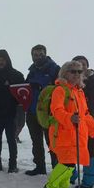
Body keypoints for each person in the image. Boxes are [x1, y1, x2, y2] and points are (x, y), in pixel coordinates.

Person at [44, 61, 94, 188]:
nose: (77, 74)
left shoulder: (79, 91)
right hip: (64, 134)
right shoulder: (60, 90)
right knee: (67, 164)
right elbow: (56, 110)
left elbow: (85, 114)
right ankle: (50, 186)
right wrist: (70, 118)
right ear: (65, 73)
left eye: (79, 71)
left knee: (71, 163)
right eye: (73, 71)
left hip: (77, 134)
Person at [0, 50, 25, 173]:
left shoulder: (17, 75)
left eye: (3, 60)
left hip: (10, 114)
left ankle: (13, 164)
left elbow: (22, 94)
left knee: (11, 140)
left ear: (7, 61)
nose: (1, 62)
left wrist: (19, 113)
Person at [24, 44, 60, 175]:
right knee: (36, 142)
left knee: (52, 142)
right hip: (32, 112)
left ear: (45, 54)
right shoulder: (31, 71)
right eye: (35, 55)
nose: (38, 57)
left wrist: (41, 86)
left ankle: (57, 169)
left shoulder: (55, 70)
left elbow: (60, 89)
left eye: (40, 54)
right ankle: (40, 167)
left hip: (48, 113)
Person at [71, 55, 94, 188]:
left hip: (89, 120)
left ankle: (88, 182)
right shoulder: (70, 81)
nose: (81, 66)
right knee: (71, 148)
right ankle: (70, 175)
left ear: (87, 66)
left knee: (90, 150)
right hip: (72, 120)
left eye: (83, 64)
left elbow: (93, 102)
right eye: (77, 64)